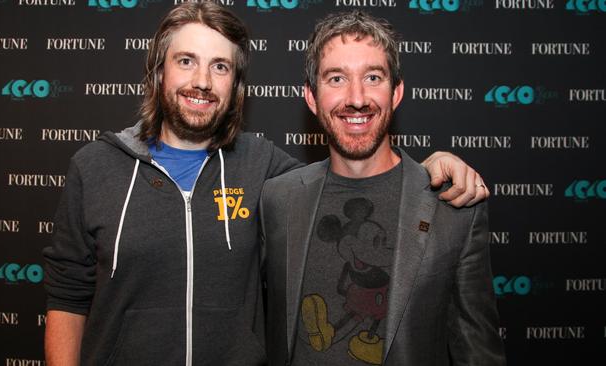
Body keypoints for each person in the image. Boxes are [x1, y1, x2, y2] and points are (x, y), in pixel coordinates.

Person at [42, 3, 489, 366]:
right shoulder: (95, 166)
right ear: (159, 71)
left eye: (220, 67)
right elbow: (68, 296)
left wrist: (434, 165)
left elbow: (358, 170)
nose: (202, 81)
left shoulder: (264, 170)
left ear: (236, 86)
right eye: (186, 62)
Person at [259, 10, 506, 366]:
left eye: (373, 77)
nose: (357, 98)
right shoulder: (277, 201)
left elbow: (477, 351)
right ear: (312, 98)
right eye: (336, 79)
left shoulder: (452, 205)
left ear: (396, 92)